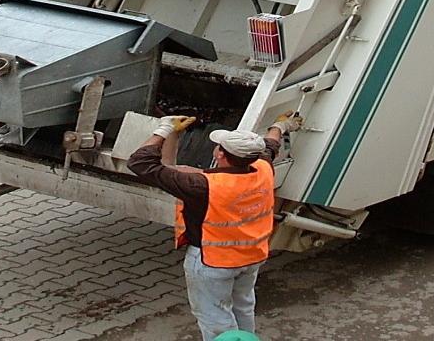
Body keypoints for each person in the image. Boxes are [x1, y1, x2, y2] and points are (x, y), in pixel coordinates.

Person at [127, 112, 303, 340]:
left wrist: (164, 129)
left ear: (220, 154)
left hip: (213, 262)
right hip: (251, 257)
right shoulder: (262, 169)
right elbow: (271, 145)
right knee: (243, 308)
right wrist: (280, 125)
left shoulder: (203, 185)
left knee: (215, 318)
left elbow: (139, 163)